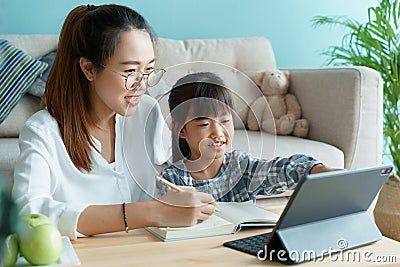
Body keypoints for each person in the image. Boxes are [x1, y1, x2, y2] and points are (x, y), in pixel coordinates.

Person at [12, 4, 217, 240]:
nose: (143, 84)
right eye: (130, 71)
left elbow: (184, 168)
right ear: (88, 69)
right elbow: (26, 214)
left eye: (149, 69)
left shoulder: (146, 113)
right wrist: (154, 212)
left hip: (148, 249)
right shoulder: (44, 132)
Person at [156, 72, 340, 202]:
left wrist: (319, 170)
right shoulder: (172, 179)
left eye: (225, 121)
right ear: (181, 130)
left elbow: (282, 170)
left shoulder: (241, 167)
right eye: (204, 124)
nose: (218, 133)